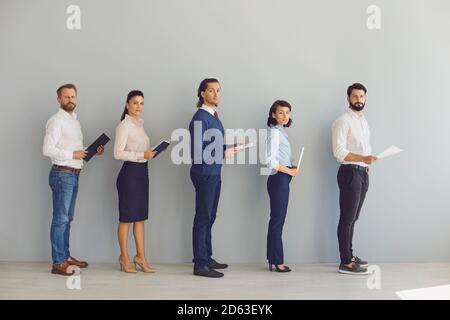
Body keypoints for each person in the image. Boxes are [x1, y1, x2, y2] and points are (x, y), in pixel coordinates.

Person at [43, 83, 105, 276]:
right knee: (60, 219)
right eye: (66, 97)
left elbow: (77, 153)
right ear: (59, 100)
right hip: (62, 174)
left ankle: (66, 256)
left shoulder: (75, 122)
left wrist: (92, 151)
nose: (70, 100)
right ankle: (58, 262)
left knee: (67, 219)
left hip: (74, 173)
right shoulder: (56, 121)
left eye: (73, 97)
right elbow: (47, 150)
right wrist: (73, 153)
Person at [188, 78, 240, 278]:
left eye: (219, 90)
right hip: (204, 173)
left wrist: (229, 149)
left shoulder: (213, 116)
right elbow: (196, 152)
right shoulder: (201, 118)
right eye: (211, 90)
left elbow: (211, 146)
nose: (216, 94)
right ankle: (200, 265)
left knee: (210, 217)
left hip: (213, 172)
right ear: (202, 93)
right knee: (203, 218)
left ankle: (207, 258)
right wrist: (221, 154)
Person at [332, 83, 377, 275]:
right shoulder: (342, 121)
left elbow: (364, 148)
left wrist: (366, 164)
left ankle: (350, 256)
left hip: (363, 172)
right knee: (347, 218)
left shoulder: (363, 120)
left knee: (354, 217)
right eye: (355, 97)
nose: (359, 100)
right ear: (348, 98)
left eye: (361, 96)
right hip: (350, 172)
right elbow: (339, 151)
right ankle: (345, 262)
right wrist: (362, 159)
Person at [114, 90, 158, 273]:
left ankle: (141, 256)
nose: (138, 106)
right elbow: (118, 153)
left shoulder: (139, 125)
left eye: (141, 103)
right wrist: (142, 154)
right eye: (135, 103)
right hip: (129, 175)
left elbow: (141, 150)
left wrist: (150, 153)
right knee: (126, 219)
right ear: (127, 104)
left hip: (142, 173)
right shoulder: (124, 126)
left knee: (140, 218)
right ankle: (124, 257)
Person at [265, 100, 299, 273]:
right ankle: (277, 261)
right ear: (273, 114)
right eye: (281, 112)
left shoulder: (282, 132)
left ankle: (273, 258)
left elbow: (282, 157)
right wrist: (289, 171)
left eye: (287, 112)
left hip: (283, 177)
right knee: (277, 220)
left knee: (278, 220)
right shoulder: (274, 133)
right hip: (278, 178)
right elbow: (269, 161)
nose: (285, 116)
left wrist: (290, 169)